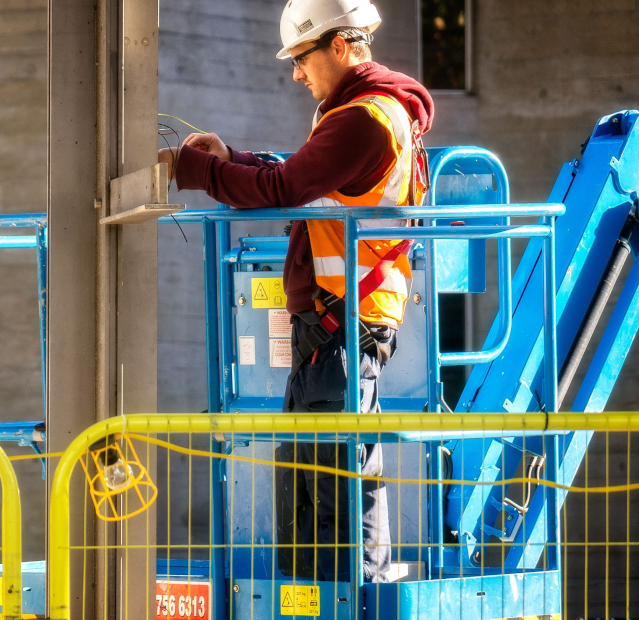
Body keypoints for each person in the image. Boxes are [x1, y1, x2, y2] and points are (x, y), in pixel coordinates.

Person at [158, 0, 434, 584]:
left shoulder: (364, 119)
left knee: (336, 479)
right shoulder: (366, 113)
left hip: (343, 320)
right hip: (335, 322)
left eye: (301, 58)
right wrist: (232, 160)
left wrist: (195, 170)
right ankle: (317, 596)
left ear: (339, 45)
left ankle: (354, 598)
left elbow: (285, 184)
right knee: (308, 476)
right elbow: (302, 183)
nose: (296, 74)